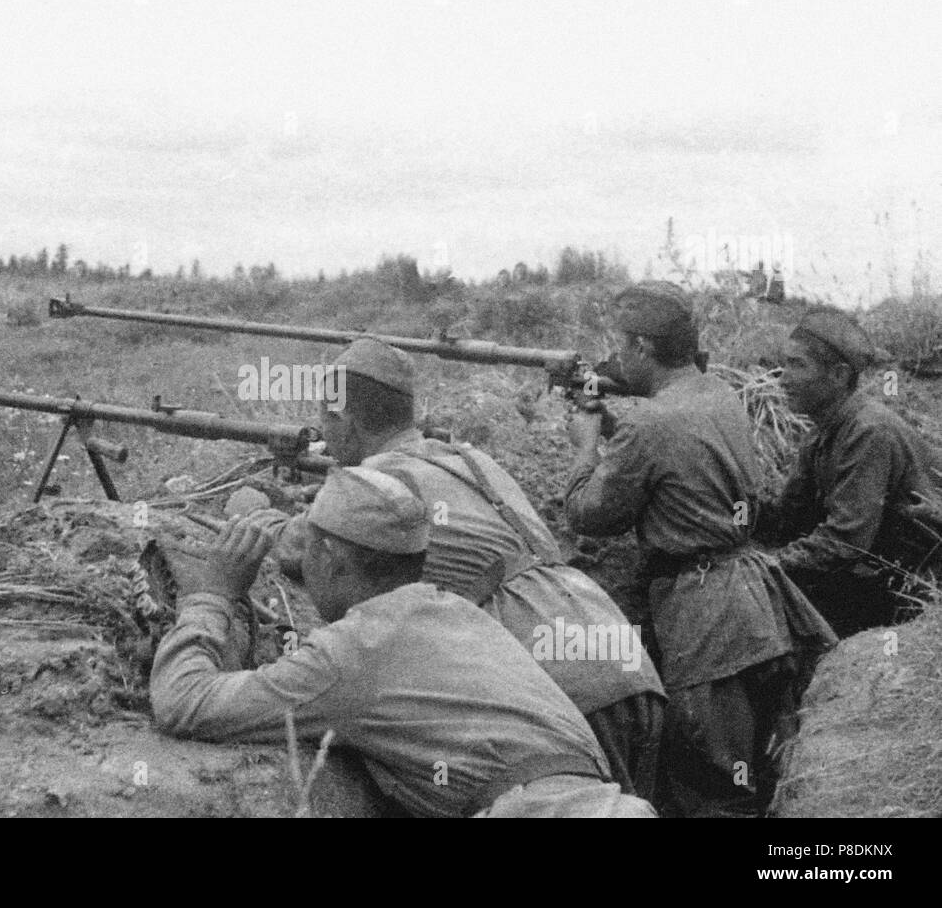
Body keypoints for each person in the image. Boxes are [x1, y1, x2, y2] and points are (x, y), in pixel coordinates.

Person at [251, 338, 665, 800]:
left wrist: (257, 513)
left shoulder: (382, 483)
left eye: (326, 419)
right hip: (619, 653)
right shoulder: (469, 458)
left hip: (557, 680)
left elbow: (300, 549)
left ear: (343, 420)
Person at [150, 466, 656, 817]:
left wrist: (212, 597)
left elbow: (184, 703)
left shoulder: (356, 651)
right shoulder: (456, 612)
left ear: (331, 560)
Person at [564, 280, 836, 818]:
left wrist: (587, 443)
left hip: (705, 621)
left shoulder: (649, 424)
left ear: (642, 348)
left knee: (711, 791)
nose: (616, 358)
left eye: (621, 346)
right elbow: (678, 458)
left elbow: (588, 517)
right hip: (760, 609)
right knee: (768, 773)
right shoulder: (716, 394)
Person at [759, 308, 942, 637]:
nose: (782, 377)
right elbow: (792, 514)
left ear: (840, 375)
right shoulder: (824, 428)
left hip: (915, 587)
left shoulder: (867, 432)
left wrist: (767, 566)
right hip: (876, 574)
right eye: (784, 363)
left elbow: (846, 542)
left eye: (797, 365)